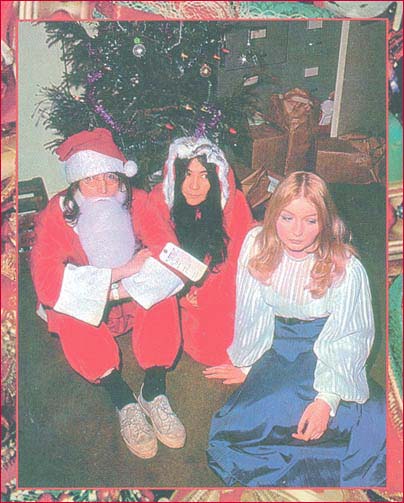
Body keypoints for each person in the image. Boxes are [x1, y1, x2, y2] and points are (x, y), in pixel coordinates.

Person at [205, 171, 386, 487]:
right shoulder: (256, 244)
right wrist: (248, 364)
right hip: (278, 346)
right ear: (273, 213)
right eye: (287, 217)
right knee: (239, 428)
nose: (297, 232)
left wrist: (326, 400)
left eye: (310, 221)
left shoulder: (346, 267)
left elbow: (350, 337)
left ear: (325, 222)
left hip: (327, 348)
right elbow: (252, 311)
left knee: (369, 425)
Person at [30, 128, 186, 460]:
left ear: (121, 177)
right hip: (94, 301)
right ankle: (123, 399)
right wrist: (116, 275)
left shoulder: (136, 199)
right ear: (75, 184)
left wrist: (143, 273)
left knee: (165, 283)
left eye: (111, 178)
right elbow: (45, 281)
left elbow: (167, 245)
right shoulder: (56, 212)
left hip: (130, 298)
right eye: (91, 180)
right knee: (66, 304)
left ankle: (154, 390)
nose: (102, 189)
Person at [148, 136, 253, 366]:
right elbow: (158, 249)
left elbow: (234, 262)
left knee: (222, 346)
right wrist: (182, 289)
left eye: (204, 176)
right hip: (176, 288)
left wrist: (206, 294)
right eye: (187, 174)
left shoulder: (234, 205)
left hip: (215, 289)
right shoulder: (160, 200)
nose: (194, 186)